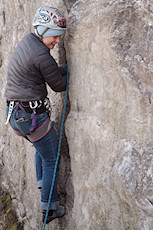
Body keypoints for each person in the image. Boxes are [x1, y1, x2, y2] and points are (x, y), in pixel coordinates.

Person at [5, 6, 67, 224]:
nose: (57, 41)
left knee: (40, 147)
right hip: (31, 115)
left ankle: (42, 182)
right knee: (52, 158)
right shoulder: (41, 54)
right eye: (55, 36)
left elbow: (46, 72)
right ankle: (49, 208)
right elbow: (59, 85)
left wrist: (60, 69)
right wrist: (69, 71)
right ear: (43, 30)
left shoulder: (28, 42)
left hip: (16, 113)